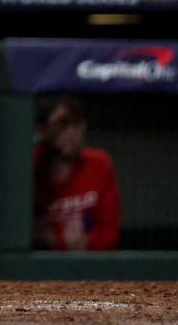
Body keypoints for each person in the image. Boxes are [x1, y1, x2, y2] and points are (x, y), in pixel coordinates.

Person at [33, 97, 120, 251]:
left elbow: (109, 235)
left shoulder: (99, 163)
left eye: (78, 123)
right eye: (63, 124)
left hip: (86, 263)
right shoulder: (30, 163)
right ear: (42, 130)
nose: (72, 132)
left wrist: (58, 240)